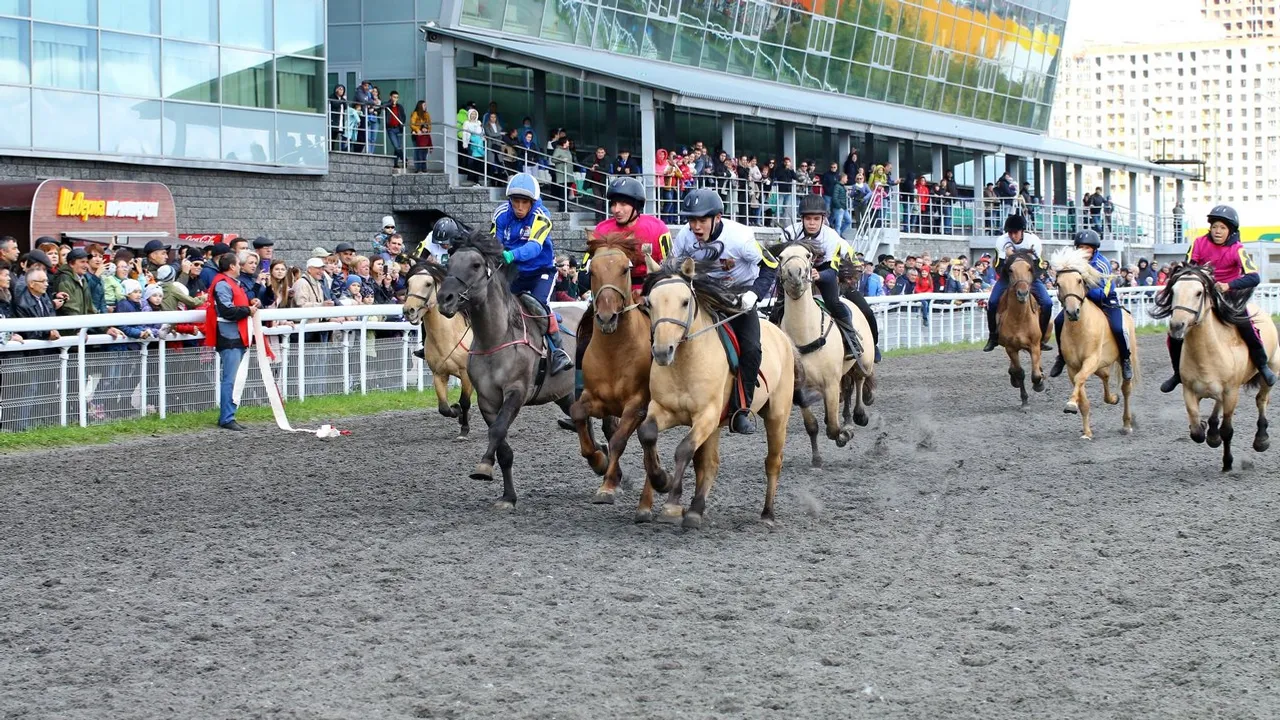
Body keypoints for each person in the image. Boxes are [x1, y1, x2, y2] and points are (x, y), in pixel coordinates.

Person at [669, 188, 778, 434]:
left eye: (701, 220)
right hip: (704, 295)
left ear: (717, 218)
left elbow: (771, 265)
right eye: (691, 220)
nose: (695, 227)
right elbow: (672, 267)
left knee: (751, 348)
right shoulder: (684, 237)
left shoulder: (741, 238)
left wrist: (754, 294)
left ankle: (741, 410)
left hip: (738, 298)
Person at [1160, 204, 1277, 391]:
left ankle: (1262, 366)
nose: (1217, 231)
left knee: (1247, 327)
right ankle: (1177, 374)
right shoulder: (1198, 243)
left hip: (1229, 297)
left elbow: (1254, 277)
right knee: (1174, 329)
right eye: (1214, 226)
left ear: (1230, 230)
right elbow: (1188, 267)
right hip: (1202, 296)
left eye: (1222, 227)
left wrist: (1228, 285)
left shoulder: (1238, 249)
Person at [780, 194, 880, 361]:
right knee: (779, 305)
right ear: (801, 219)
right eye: (808, 218)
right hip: (798, 270)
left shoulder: (831, 237)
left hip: (834, 271)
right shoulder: (789, 233)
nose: (812, 223)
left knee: (835, 303)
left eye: (816, 219)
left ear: (823, 219)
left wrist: (819, 275)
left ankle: (854, 342)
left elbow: (832, 270)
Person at [491, 173, 573, 375]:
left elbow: (534, 247)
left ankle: (558, 351)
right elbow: (495, 242)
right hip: (515, 271)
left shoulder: (542, 215)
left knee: (538, 305)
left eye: (524, 202)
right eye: (515, 201)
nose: (519, 207)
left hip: (541, 271)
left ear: (533, 202)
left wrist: (511, 255)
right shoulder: (501, 214)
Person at [1048, 229, 1133, 381]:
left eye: (1087, 248)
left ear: (1094, 249)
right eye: (1081, 247)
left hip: (1105, 300)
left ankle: (1125, 359)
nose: (1084, 251)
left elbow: (1103, 292)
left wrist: (1084, 291)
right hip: (1081, 300)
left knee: (1118, 328)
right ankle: (1061, 357)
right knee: (1059, 321)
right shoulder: (1073, 264)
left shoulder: (1102, 264)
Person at [202, 252, 260, 431]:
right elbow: (227, 311)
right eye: (238, 264)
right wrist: (247, 310)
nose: (241, 267)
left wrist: (250, 303)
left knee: (233, 378)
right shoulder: (223, 284)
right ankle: (227, 417)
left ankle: (228, 415)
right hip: (230, 336)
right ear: (232, 266)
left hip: (235, 335)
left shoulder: (231, 283)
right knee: (230, 379)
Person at [983, 214, 1053, 353]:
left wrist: (1025, 279)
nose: (1012, 235)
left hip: (1029, 278)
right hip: (1008, 277)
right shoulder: (1001, 241)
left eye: (1015, 232)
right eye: (1010, 233)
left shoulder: (1033, 241)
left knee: (1047, 303)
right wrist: (1012, 274)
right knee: (992, 302)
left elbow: (1039, 267)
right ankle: (993, 337)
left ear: (1022, 231)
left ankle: (1041, 338)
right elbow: (998, 266)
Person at [592, 176, 670, 293]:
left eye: (623, 204)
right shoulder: (601, 229)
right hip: (611, 292)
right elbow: (588, 268)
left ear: (637, 205)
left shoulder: (658, 228)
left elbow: (670, 267)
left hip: (650, 291)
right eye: (613, 204)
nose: (616, 210)